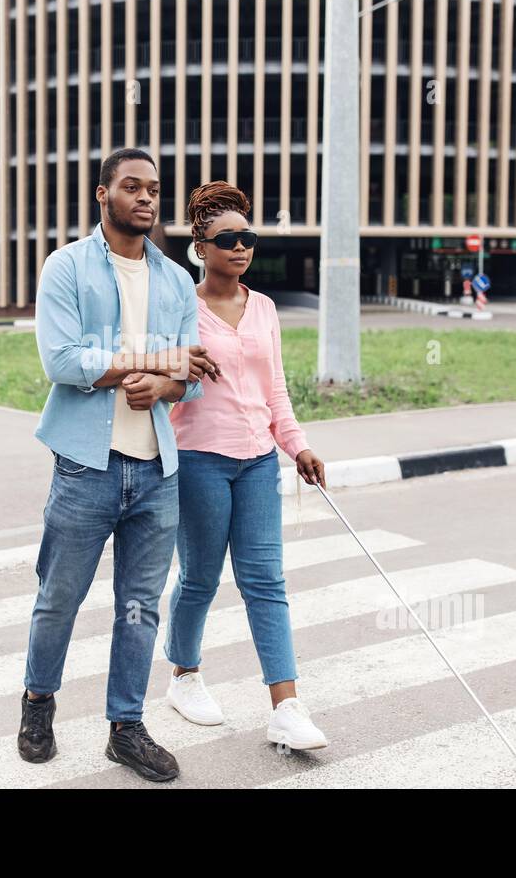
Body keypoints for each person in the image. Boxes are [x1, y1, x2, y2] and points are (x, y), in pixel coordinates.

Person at [19, 148, 221, 782]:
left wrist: (166, 383)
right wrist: (160, 363)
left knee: (140, 605)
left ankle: (125, 727)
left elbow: (191, 377)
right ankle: (37, 703)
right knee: (59, 598)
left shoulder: (174, 281)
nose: (146, 198)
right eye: (131, 186)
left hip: (158, 470)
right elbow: (63, 361)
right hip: (87, 466)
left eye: (153, 189)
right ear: (102, 194)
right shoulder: (67, 268)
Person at [164, 179, 330, 750]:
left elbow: (274, 389)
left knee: (266, 581)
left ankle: (286, 707)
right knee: (200, 579)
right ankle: (183, 675)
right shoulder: (180, 306)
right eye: (226, 238)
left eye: (248, 237)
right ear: (200, 247)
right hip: (199, 462)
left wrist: (298, 445)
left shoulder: (263, 308)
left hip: (259, 461)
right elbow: (167, 388)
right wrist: (180, 370)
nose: (239, 247)